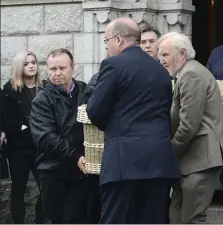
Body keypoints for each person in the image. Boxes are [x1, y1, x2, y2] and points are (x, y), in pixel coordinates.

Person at [86, 17, 181, 224]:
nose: (107, 46)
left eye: (107, 40)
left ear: (118, 40)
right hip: (159, 162)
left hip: (124, 163)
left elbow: (94, 110)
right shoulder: (161, 71)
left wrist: (110, 126)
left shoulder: (112, 65)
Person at [158, 32, 223, 223]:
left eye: (166, 55)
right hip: (192, 159)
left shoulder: (190, 74)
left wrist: (170, 151)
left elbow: (188, 125)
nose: (161, 61)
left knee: (192, 218)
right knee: (177, 213)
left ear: (182, 53)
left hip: (202, 158)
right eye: (160, 55)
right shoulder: (184, 73)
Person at [30, 48, 92, 223]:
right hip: (52, 170)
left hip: (81, 170)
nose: (57, 73)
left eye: (62, 68)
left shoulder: (86, 92)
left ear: (73, 68)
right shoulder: (42, 99)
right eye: (52, 69)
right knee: (55, 219)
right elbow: (45, 137)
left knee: (76, 218)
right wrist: (75, 156)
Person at [0, 51, 44, 224]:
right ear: (19, 67)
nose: (32, 66)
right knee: (19, 189)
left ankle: (40, 221)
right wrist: (23, 127)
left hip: (41, 148)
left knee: (45, 189)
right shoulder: (10, 89)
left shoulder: (44, 88)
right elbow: (3, 119)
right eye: (26, 63)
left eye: (33, 62)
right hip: (19, 149)